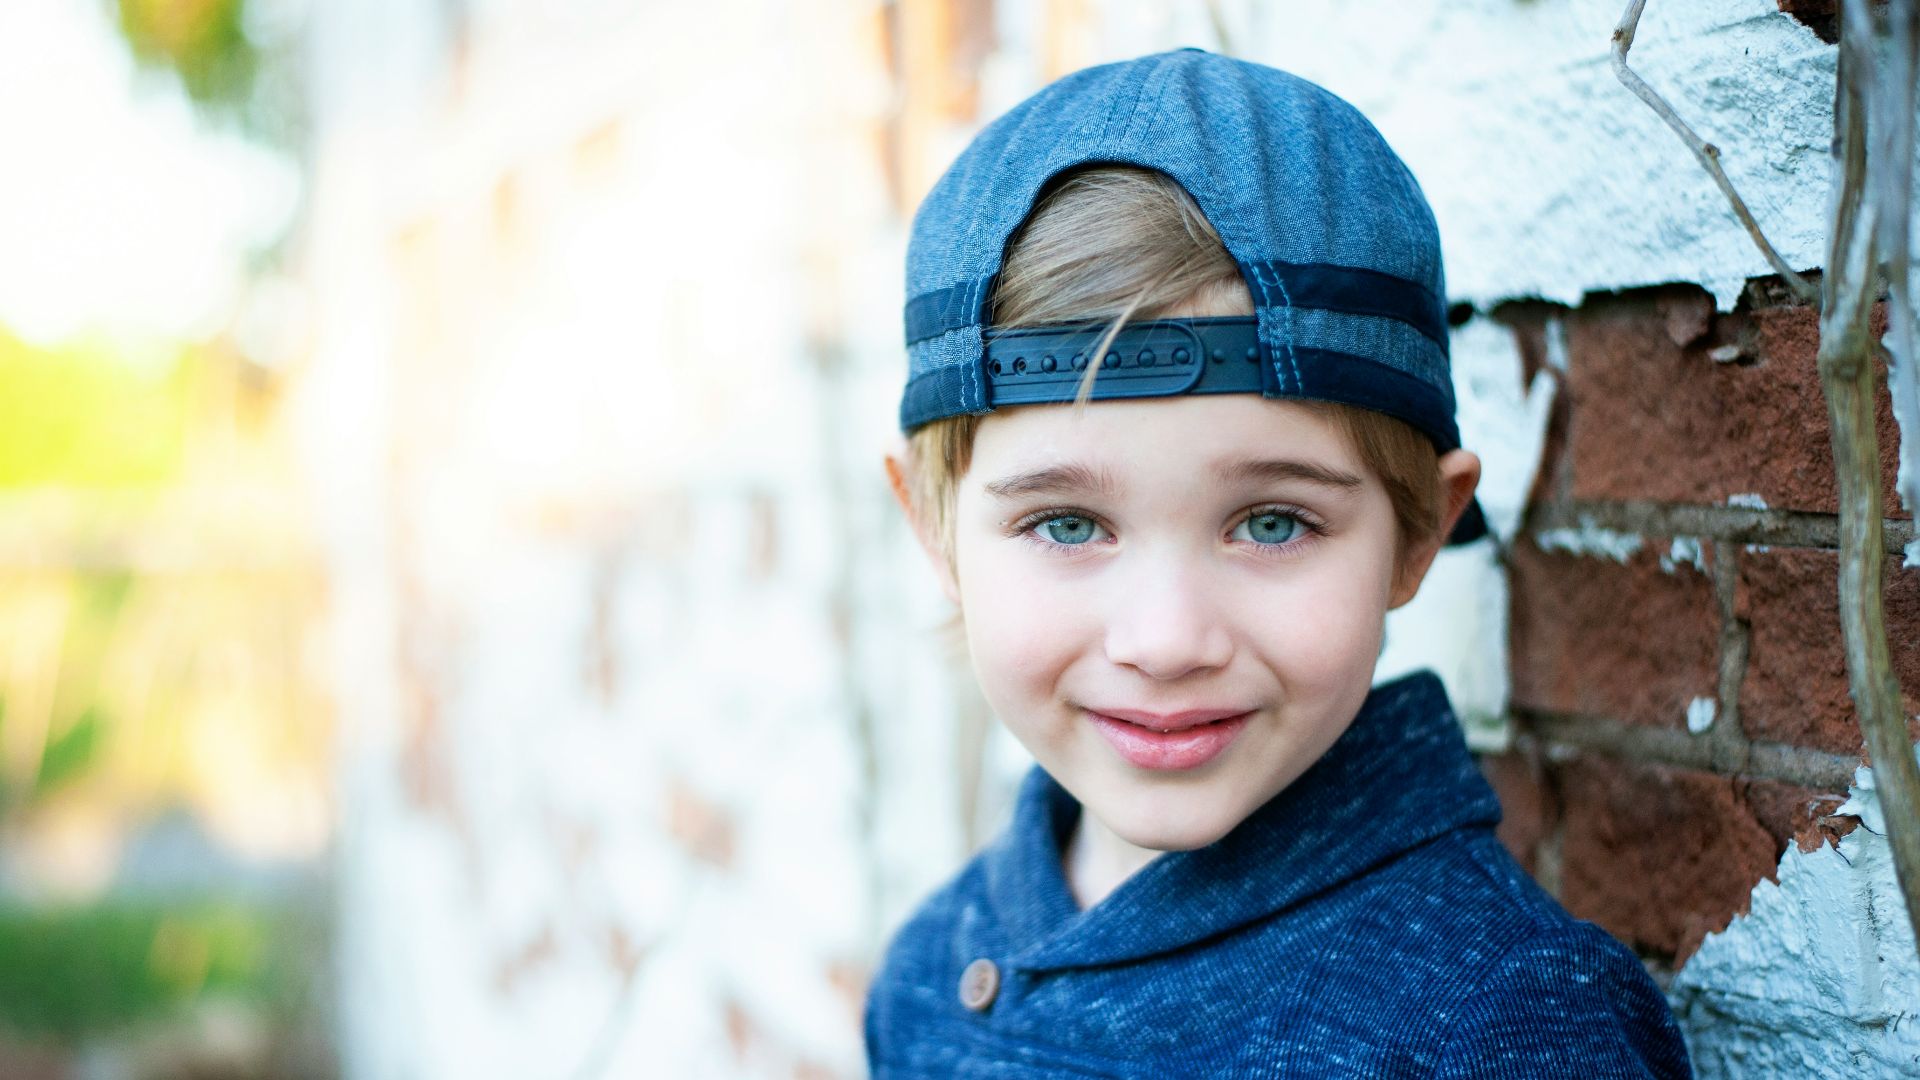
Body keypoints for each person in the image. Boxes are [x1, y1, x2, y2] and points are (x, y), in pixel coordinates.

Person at [864, 48, 1692, 1078]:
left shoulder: (1503, 1022)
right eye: (1068, 526)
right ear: (937, 533)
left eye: (1271, 523)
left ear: (1419, 531)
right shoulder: (925, 971)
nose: (1167, 641)